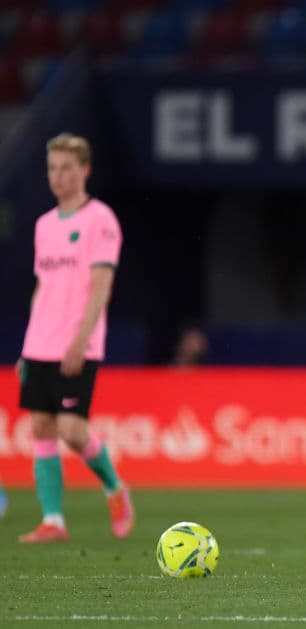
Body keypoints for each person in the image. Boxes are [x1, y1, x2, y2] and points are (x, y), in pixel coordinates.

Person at [16, 132, 135, 543]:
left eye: (66, 167)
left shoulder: (100, 220)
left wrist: (80, 340)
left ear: (85, 170)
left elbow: (101, 286)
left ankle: (115, 487)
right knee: (41, 427)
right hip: (40, 343)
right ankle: (53, 520)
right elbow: (42, 287)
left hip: (77, 342)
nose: (58, 176)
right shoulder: (44, 225)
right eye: (52, 167)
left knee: (71, 429)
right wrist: (28, 346)